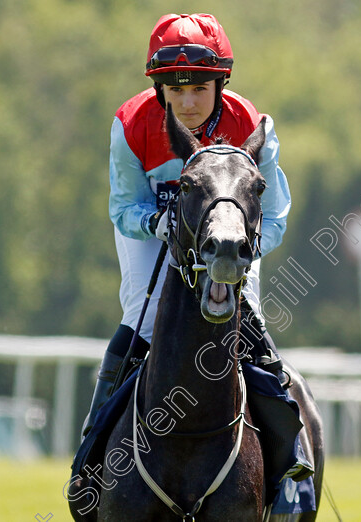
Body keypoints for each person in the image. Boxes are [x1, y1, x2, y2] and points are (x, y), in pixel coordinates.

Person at [82, 12, 313, 484]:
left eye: (199, 89)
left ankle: (292, 455)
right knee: (141, 317)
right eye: (175, 90)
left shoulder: (251, 122)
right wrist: (162, 222)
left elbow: (275, 214)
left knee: (246, 315)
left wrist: (243, 251)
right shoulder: (130, 124)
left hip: (230, 234)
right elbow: (125, 208)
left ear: (220, 84)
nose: (187, 103)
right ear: (159, 88)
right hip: (156, 229)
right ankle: (92, 449)